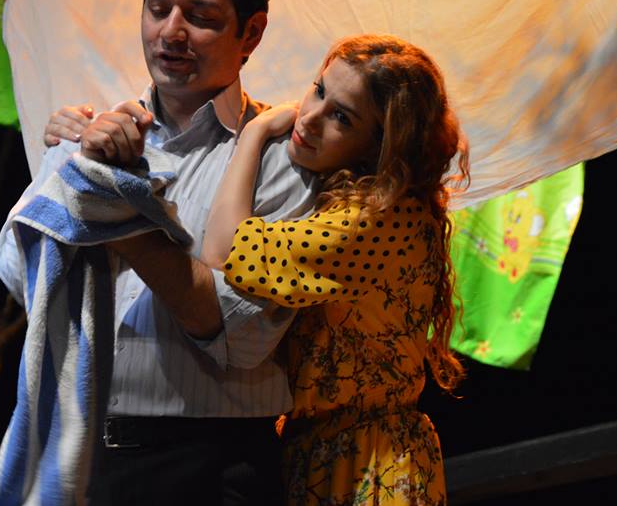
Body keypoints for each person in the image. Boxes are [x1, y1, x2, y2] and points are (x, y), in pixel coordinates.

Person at [0, 0, 318, 506]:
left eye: (201, 16)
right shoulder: (96, 137)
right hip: (85, 457)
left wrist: (118, 212)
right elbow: (21, 279)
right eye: (158, 8)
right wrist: (74, 173)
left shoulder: (282, 159)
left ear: (251, 32)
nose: (171, 32)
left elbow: (241, 336)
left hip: (212, 464)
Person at [200, 34, 469, 505]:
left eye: (342, 117)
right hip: (331, 452)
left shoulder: (377, 217)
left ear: (380, 147)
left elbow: (224, 252)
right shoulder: (371, 200)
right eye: (318, 90)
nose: (308, 117)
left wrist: (254, 134)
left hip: (368, 465)